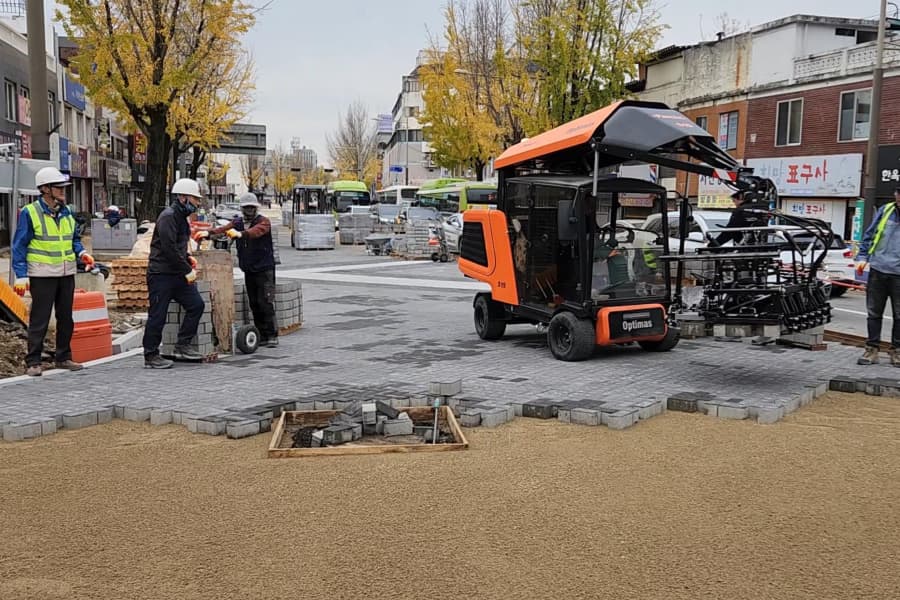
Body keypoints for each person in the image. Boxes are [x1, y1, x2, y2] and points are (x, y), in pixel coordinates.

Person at [12, 167, 95, 376]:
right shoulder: (30, 213)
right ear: (45, 189)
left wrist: (82, 253)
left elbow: (73, 239)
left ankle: (63, 357)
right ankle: (33, 361)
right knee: (39, 318)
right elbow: (19, 246)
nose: (63, 190)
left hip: (66, 273)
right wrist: (21, 275)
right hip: (42, 274)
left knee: (66, 317)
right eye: (59, 187)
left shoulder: (66, 212)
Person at [194, 192, 278, 347]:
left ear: (256, 208)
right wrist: (208, 233)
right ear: (242, 209)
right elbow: (224, 229)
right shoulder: (237, 222)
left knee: (265, 301)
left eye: (252, 208)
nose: (249, 211)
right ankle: (262, 335)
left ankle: (272, 335)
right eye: (246, 208)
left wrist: (241, 234)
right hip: (249, 269)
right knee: (254, 302)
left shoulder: (263, 222)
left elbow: (257, 231)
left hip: (264, 269)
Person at [142, 178, 206, 369]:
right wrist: (187, 269)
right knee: (157, 315)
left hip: (176, 273)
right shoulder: (168, 216)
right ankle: (151, 355)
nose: (197, 203)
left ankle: (182, 345)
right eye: (195, 199)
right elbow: (169, 248)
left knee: (196, 305)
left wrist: (187, 258)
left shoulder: (181, 218)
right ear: (183, 198)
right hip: (161, 274)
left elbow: (178, 247)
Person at [854, 184, 900, 366]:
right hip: (878, 270)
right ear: (896, 194)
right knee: (874, 312)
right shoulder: (885, 210)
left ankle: (896, 351)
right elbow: (870, 234)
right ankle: (871, 349)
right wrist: (862, 256)